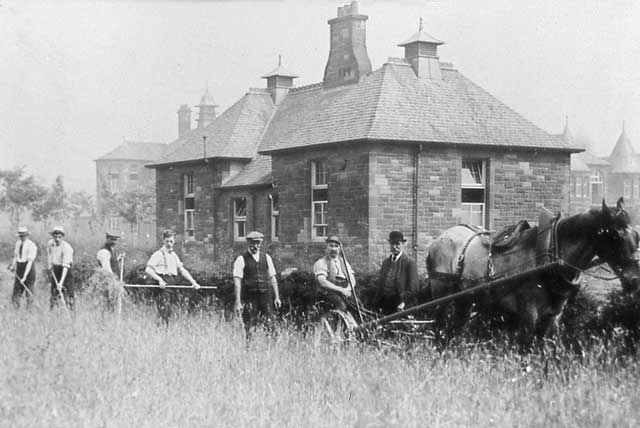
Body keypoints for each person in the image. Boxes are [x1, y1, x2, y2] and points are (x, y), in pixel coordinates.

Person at [145, 230, 200, 324]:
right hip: (162, 285)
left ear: (174, 242)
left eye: (171, 242)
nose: (169, 244)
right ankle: (160, 331)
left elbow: (182, 270)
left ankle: (164, 331)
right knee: (164, 310)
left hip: (172, 284)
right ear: (163, 241)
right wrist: (160, 280)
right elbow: (148, 270)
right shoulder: (158, 254)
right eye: (167, 241)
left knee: (170, 310)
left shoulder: (174, 255)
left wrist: (193, 282)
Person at [233, 231, 281, 335]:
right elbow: (237, 282)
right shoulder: (241, 259)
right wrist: (238, 302)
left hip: (265, 296)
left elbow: (273, 278)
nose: (256, 246)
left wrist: (277, 297)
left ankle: (270, 348)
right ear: (248, 243)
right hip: (250, 297)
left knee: (270, 325)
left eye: (258, 243)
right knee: (250, 326)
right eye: (253, 243)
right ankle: (249, 349)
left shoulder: (267, 258)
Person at [375, 231, 418, 315]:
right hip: (385, 306)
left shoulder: (409, 263)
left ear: (403, 244)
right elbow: (380, 286)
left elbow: (413, 288)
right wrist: (376, 303)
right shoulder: (385, 263)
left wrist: (404, 303)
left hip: (401, 306)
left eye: (397, 244)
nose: (394, 247)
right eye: (392, 244)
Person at [313, 235, 357, 312]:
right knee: (341, 306)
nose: (334, 249)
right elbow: (323, 282)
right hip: (328, 292)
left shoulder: (344, 262)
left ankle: (356, 324)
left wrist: (348, 289)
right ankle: (337, 323)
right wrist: (341, 290)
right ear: (326, 248)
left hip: (344, 290)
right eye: (331, 246)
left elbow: (352, 278)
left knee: (357, 305)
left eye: (336, 246)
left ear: (339, 249)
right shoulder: (321, 262)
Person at [8, 226, 38, 308]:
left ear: (27, 235)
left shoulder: (32, 245)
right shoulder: (18, 243)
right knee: (16, 292)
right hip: (20, 268)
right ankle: (16, 310)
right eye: (20, 236)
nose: (22, 237)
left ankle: (29, 310)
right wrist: (13, 266)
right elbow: (16, 256)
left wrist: (24, 277)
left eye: (24, 235)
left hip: (29, 269)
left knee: (29, 291)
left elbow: (30, 262)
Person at [47, 226, 75, 310]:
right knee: (54, 294)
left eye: (59, 237)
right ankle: (53, 312)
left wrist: (61, 282)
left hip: (66, 272)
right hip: (56, 270)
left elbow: (65, 267)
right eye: (55, 237)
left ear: (63, 237)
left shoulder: (67, 248)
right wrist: (50, 265)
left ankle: (71, 313)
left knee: (68, 294)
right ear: (52, 236)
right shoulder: (50, 243)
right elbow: (49, 254)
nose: (57, 239)